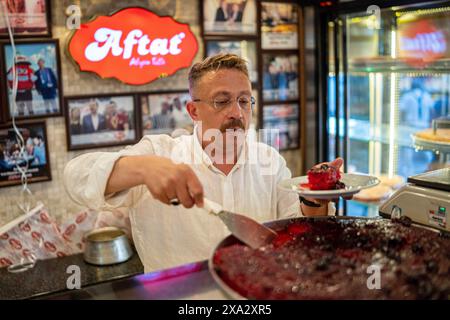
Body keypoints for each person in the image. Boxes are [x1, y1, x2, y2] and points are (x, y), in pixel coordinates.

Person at [64, 53, 342, 272]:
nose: (237, 112)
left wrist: (315, 196)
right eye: (222, 101)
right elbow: (75, 176)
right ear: (193, 110)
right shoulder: (162, 152)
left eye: (245, 101)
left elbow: (298, 230)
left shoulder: (269, 161)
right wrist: (144, 168)